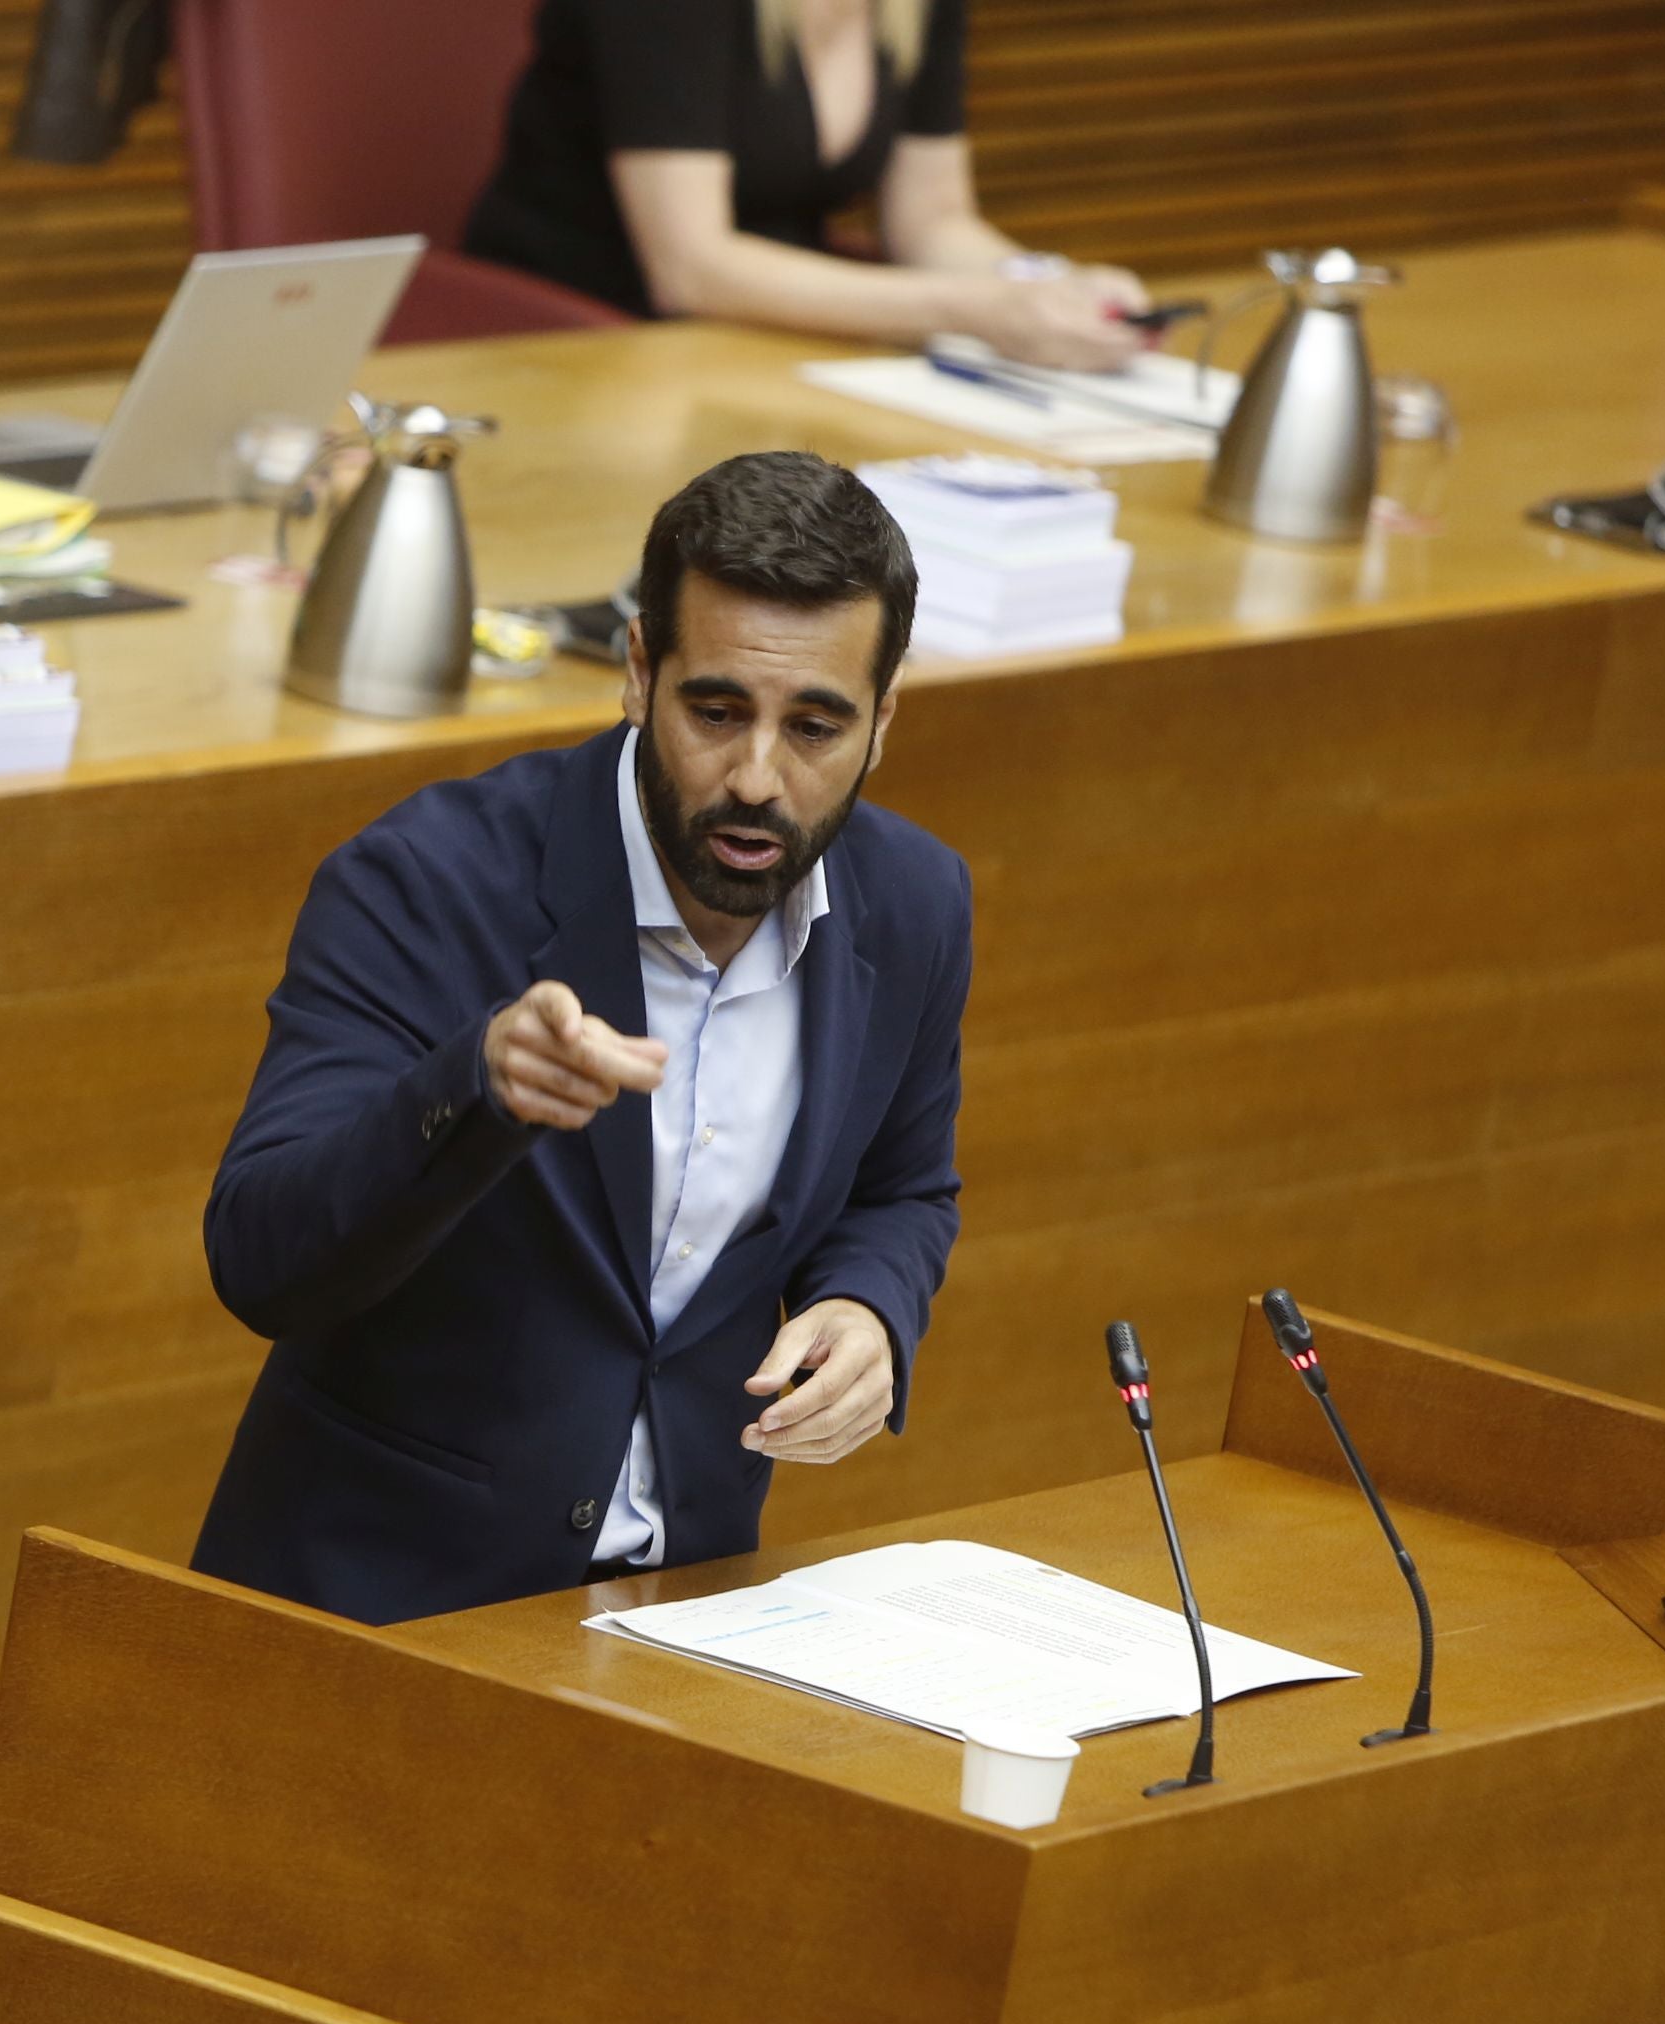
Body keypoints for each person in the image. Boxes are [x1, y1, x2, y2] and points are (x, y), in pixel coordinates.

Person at [192, 452, 970, 1625]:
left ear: (884, 723)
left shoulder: (913, 905)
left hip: (685, 1614)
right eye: (715, 712)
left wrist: (869, 1308)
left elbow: (903, 1189)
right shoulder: (428, 881)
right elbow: (262, 1258)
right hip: (376, 1612)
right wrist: (475, 1090)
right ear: (637, 673)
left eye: (815, 726)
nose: (757, 778)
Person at [463, 0, 1157, 370]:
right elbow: (693, 268)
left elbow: (934, 218)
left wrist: (1050, 287)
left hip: (770, 340)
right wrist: (982, 308)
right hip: (578, 346)